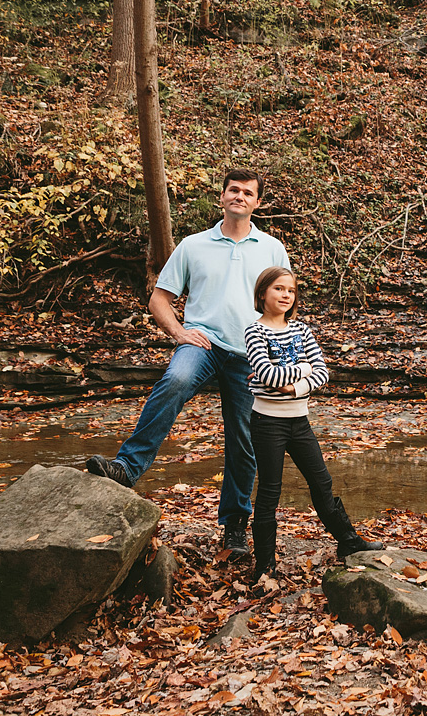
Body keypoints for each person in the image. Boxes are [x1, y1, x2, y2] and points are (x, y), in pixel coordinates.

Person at [86, 169, 288, 558]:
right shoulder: (194, 246)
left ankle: (234, 526)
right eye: (234, 190)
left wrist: (275, 352)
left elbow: (282, 301)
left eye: (248, 193)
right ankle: (127, 468)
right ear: (222, 197)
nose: (240, 197)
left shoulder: (272, 249)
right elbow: (159, 298)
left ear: (257, 202)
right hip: (203, 343)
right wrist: (180, 333)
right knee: (176, 379)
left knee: (243, 438)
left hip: (252, 352)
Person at [244, 267, 383, 581]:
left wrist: (293, 385)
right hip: (267, 422)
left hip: (299, 421)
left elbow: (322, 372)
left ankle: (349, 542)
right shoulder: (255, 332)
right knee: (269, 492)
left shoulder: (302, 331)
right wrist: (302, 369)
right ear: (262, 293)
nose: (285, 295)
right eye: (278, 289)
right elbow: (265, 374)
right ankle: (264, 566)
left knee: (322, 484)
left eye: (290, 291)